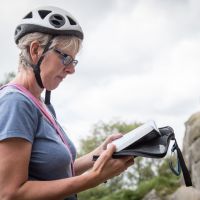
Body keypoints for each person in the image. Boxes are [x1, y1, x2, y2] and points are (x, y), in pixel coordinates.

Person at [0, 6, 134, 200]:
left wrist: (98, 154)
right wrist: (95, 177)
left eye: (74, 61)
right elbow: (10, 193)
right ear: (36, 50)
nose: (71, 69)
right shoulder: (15, 104)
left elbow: (55, 171)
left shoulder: (40, 104)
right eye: (66, 58)